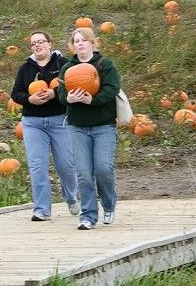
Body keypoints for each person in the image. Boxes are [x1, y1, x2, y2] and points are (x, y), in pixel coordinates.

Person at [10, 31, 78, 222]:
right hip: (33, 123)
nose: (37, 45)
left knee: (66, 164)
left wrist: (54, 94)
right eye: (33, 43)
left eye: (41, 42)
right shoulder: (25, 68)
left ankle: (71, 196)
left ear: (50, 44)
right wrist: (29, 99)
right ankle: (41, 209)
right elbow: (16, 94)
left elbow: (71, 84)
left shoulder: (63, 63)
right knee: (37, 166)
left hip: (59, 120)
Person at [56, 27, 119, 230]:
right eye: (76, 41)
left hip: (103, 125)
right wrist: (69, 99)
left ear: (92, 42)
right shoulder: (67, 68)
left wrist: (93, 100)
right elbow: (61, 94)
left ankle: (108, 205)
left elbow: (112, 89)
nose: (80, 44)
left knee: (103, 169)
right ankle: (88, 215)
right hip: (78, 127)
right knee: (83, 173)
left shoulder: (105, 64)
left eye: (84, 40)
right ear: (72, 46)